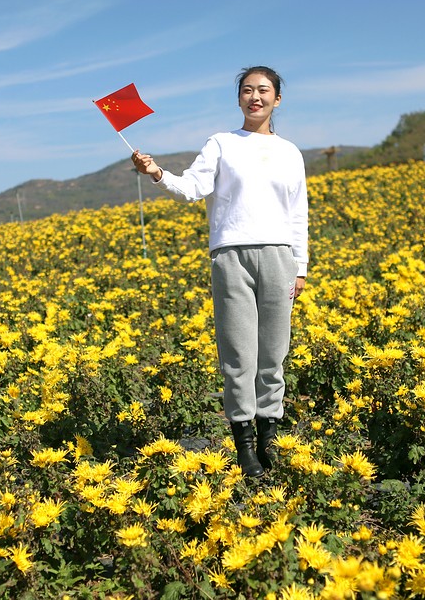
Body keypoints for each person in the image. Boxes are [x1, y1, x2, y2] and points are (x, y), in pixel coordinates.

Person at [132, 65, 308, 477]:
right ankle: (245, 444)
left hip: (280, 257)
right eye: (247, 90)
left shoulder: (290, 152)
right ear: (239, 98)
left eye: (263, 90)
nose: (255, 97)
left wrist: (300, 267)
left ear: (277, 99)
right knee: (239, 353)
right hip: (231, 257)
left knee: (274, 353)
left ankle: (269, 439)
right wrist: (156, 173)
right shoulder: (222, 143)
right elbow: (192, 188)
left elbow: (298, 213)